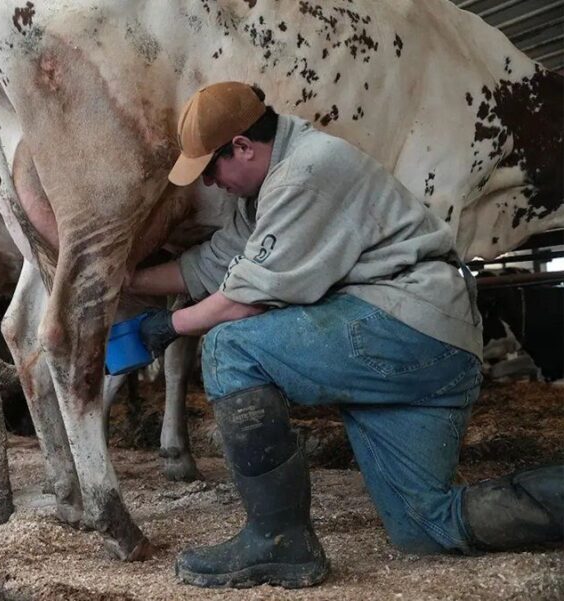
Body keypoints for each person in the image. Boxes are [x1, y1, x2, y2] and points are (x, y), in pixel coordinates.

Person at [128, 81, 563, 589]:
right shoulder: (272, 184)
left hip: (405, 326)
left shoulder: (305, 173)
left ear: (242, 147)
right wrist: (129, 280)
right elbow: (210, 264)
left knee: (231, 347)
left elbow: (247, 299)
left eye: (211, 170)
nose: (210, 185)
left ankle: (279, 540)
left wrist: (168, 326)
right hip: (433, 348)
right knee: (423, 525)